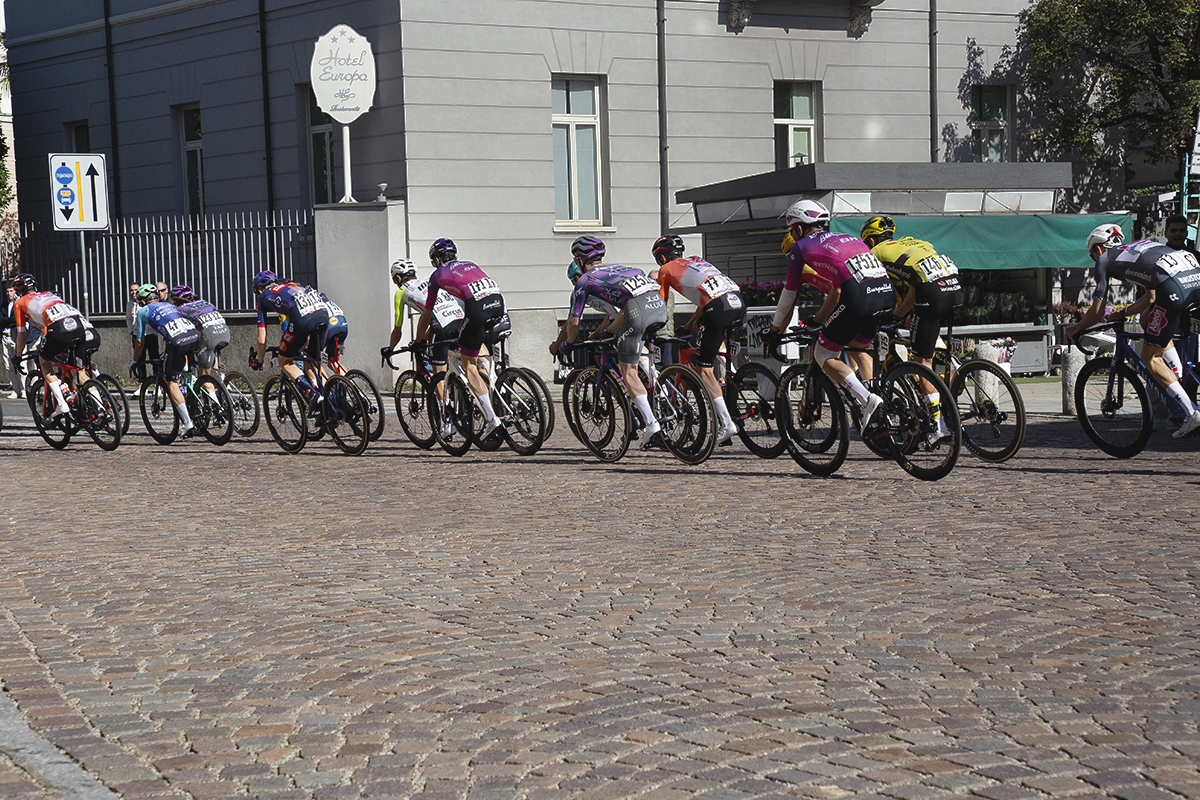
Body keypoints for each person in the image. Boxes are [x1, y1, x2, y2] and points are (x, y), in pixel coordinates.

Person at [767, 200, 893, 429]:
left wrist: (776, 330)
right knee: (857, 346)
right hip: (886, 294)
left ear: (796, 229)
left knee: (823, 354)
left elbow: (789, 296)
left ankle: (867, 401)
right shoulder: (851, 238)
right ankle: (878, 400)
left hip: (859, 297)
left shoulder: (801, 247)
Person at [1067, 225, 1200, 438]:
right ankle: (1177, 372)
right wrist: (1122, 313)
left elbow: (1096, 312)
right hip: (1195, 279)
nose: (1094, 259)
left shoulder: (1105, 259)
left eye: (1092, 255)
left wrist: (1075, 328)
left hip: (1174, 288)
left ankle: (1191, 412)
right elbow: (1150, 298)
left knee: (1150, 358)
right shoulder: (1140, 248)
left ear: (1098, 249)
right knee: (1149, 320)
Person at [860, 216, 963, 445]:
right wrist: (898, 315)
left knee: (921, 362)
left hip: (932, 291)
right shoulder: (911, 243)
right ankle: (954, 365)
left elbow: (876, 290)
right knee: (919, 323)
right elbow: (916, 288)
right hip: (954, 286)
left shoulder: (875, 253)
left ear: (872, 240)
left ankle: (938, 427)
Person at [550, 256, 669, 448]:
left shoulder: (583, 287)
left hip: (631, 314)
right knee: (636, 351)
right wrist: (598, 333)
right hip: (648, 307)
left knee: (626, 366)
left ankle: (649, 412)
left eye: (574, 280)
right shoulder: (609, 279)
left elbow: (570, 323)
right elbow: (611, 313)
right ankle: (657, 385)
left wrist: (558, 344)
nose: (574, 285)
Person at [651, 234, 745, 445]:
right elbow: (706, 297)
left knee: (704, 369)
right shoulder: (697, 261)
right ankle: (734, 390)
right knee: (712, 348)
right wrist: (692, 323)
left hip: (717, 308)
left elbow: (660, 306)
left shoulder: (665, 271)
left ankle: (726, 423)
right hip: (737, 302)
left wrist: (649, 328)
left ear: (662, 258)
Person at [415, 239, 507, 438]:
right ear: (456, 256)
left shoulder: (437, 275)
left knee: (469, 366)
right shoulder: (470, 264)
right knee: (475, 346)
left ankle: (492, 419)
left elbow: (426, 314)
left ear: (437, 260)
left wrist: (419, 340)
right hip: (499, 305)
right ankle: (498, 381)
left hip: (477, 310)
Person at [10, 274, 91, 416]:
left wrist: (18, 355)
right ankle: (97, 404)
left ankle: (62, 404)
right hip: (78, 325)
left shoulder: (20, 302)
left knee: (44, 362)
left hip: (58, 329)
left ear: (18, 292)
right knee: (77, 370)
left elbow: (22, 335)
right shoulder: (48, 294)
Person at [250, 271, 331, 409]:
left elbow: (262, 340)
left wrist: (259, 361)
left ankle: (312, 395)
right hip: (323, 315)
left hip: (302, 319)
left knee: (284, 361)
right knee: (313, 362)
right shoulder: (293, 285)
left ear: (259, 289)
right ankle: (334, 400)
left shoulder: (262, 297)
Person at [132, 282, 203, 436]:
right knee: (178, 365)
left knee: (172, 383)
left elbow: (139, 343)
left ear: (142, 301)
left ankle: (187, 423)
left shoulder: (143, 311)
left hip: (177, 341)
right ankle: (197, 389)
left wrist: (134, 361)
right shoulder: (169, 305)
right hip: (193, 336)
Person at [170, 285, 230, 374]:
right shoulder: (205, 302)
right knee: (208, 350)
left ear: (176, 300)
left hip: (210, 334)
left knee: (203, 379)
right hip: (225, 331)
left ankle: (210, 383)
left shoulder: (181, 309)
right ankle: (219, 379)